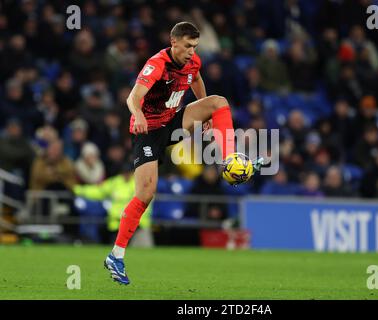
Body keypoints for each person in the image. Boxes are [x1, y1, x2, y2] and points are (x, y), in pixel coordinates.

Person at [104, 22, 265, 285]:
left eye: (195, 46)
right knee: (145, 194)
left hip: (173, 121)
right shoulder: (157, 64)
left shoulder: (193, 62)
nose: (192, 52)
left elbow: (198, 79)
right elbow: (132, 97)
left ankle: (230, 160)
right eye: (188, 46)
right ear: (174, 42)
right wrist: (139, 116)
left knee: (218, 103)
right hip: (149, 131)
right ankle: (116, 255)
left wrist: (206, 111)